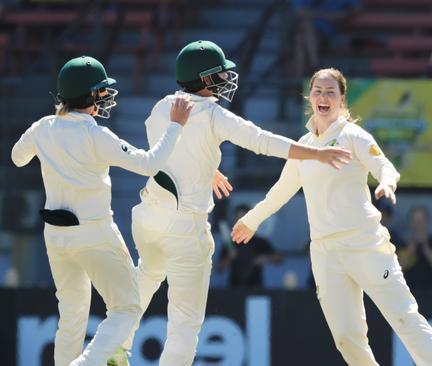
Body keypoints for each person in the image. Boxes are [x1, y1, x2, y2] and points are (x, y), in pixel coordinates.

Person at [120, 41, 352, 365]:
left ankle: (116, 347)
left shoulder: (163, 106)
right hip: (184, 227)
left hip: (147, 218)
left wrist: (203, 165)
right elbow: (263, 141)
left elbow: (160, 145)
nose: (225, 78)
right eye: (217, 74)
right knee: (185, 324)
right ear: (202, 79)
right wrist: (316, 152)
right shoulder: (214, 115)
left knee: (146, 275)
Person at [232, 67, 432, 365]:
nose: (323, 97)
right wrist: (252, 220)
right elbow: (280, 191)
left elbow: (384, 165)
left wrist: (387, 182)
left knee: (403, 317)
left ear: (342, 98)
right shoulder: (305, 146)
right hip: (325, 252)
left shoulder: (353, 135)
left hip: (365, 244)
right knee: (347, 338)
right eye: (318, 92)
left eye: (330, 92)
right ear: (309, 97)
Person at [11, 56, 192, 366]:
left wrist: (48, 143)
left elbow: (17, 158)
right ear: (88, 96)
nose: (105, 98)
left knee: (72, 314)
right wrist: (175, 126)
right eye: (101, 92)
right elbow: (148, 163)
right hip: (94, 232)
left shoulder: (44, 128)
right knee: (127, 308)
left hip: (55, 235)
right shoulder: (96, 135)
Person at [217, 204, 283, 288]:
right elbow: (219, 269)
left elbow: (279, 259)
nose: (241, 224)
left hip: (256, 289)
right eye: (238, 220)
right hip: (234, 290)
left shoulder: (260, 242)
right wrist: (229, 258)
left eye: (243, 220)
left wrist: (265, 258)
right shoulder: (230, 244)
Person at [396, 206, 432, 292]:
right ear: (411, 223)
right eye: (416, 221)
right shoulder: (404, 243)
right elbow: (399, 267)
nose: (419, 225)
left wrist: (425, 246)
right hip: (409, 292)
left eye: (421, 221)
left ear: (427, 221)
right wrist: (411, 249)